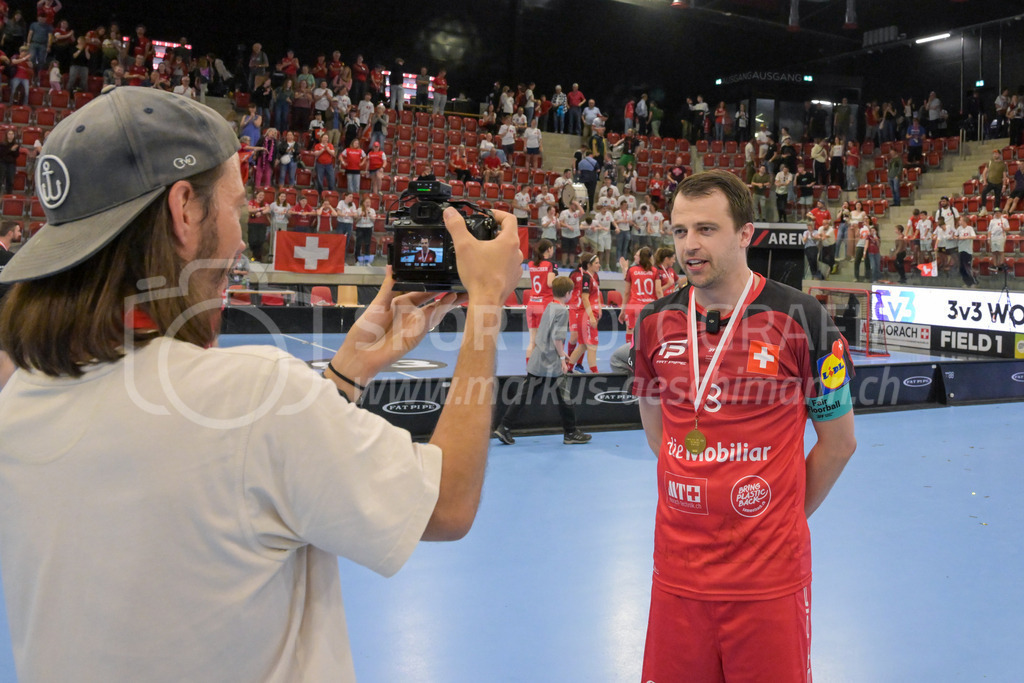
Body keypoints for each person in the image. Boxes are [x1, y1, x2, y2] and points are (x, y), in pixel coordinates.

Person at [0, 86, 525, 682]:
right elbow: (449, 503)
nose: (239, 243)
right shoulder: (251, 395)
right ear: (184, 211)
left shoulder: (17, 403)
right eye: (237, 206)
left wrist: (346, 372)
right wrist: (485, 303)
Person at [631, 169, 856, 683]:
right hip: (677, 576)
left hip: (768, 579)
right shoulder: (652, 323)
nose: (690, 245)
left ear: (746, 234)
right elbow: (657, 435)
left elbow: (839, 444)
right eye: (680, 230)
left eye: (707, 229)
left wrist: (778, 520)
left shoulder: (803, 319)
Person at [493, 276, 592, 446]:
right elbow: (557, 337)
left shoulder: (550, 306)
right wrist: (562, 357)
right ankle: (570, 432)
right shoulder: (562, 311)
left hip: (539, 358)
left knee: (524, 395)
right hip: (552, 362)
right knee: (565, 397)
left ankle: (504, 427)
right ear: (568, 293)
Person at [619, 246, 661, 347]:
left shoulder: (632, 270)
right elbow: (659, 291)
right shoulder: (655, 271)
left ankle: (630, 357)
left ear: (641, 257)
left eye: (637, 255)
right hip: (650, 307)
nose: (634, 256)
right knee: (649, 334)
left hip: (634, 306)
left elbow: (626, 292)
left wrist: (623, 310)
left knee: (631, 332)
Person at [567, 253, 602, 374]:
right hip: (587, 315)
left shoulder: (593, 276)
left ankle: (568, 369)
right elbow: (585, 298)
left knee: (582, 345)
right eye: (596, 263)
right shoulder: (586, 277)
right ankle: (595, 374)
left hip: (588, 314)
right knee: (592, 346)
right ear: (589, 265)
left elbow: (595, 296)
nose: (599, 265)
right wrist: (592, 317)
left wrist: (599, 309)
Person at [525, 239, 557, 363]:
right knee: (545, 340)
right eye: (552, 248)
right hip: (544, 305)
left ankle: (529, 371)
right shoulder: (551, 264)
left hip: (532, 304)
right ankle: (542, 369)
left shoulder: (531, 264)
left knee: (532, 341)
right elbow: (549, 283)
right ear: (549, 249)